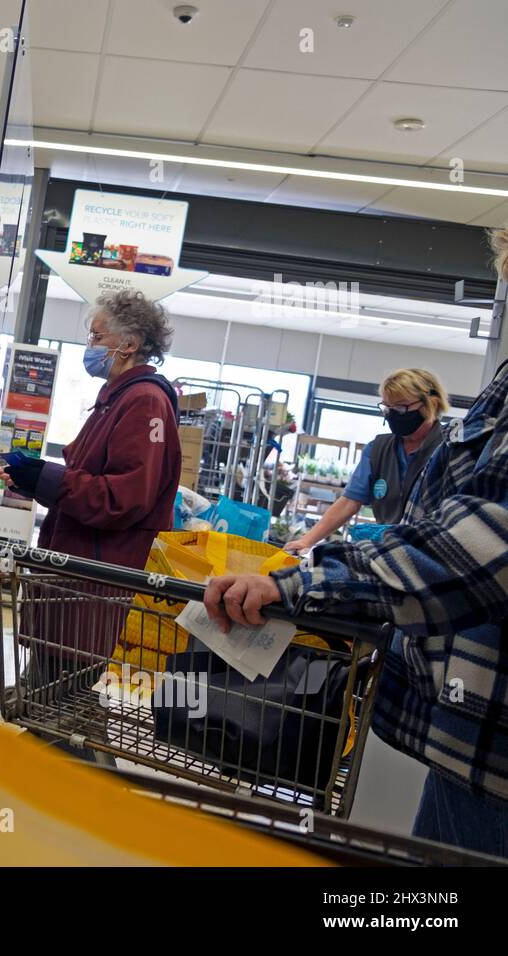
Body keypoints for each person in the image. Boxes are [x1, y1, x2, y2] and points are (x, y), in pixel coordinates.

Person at [202, 229, 508, 860]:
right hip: (465, 720)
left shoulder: (456, 429)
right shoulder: (388, 445)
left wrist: (303, 584)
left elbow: (475, 549)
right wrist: (306, 546)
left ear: (426, 403)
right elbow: (354, 501)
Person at [5, 289, 181, 570]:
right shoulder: (114, 398)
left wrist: (50, 480)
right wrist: (36, 480)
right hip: (80, 560)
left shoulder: (145, 401)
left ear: (129, 344)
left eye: (97, 337)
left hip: (101, 573)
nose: (90, 345)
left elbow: (123, 499)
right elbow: (87, 480)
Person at [285, 368, 448, 552]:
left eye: (401, 408)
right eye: (387, 408)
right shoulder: (377, 450)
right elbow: (349, 501)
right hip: (388, 551)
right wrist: (308, 540)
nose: (392, 415)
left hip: (432, 554)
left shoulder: (450, 449)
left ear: (431, 404)